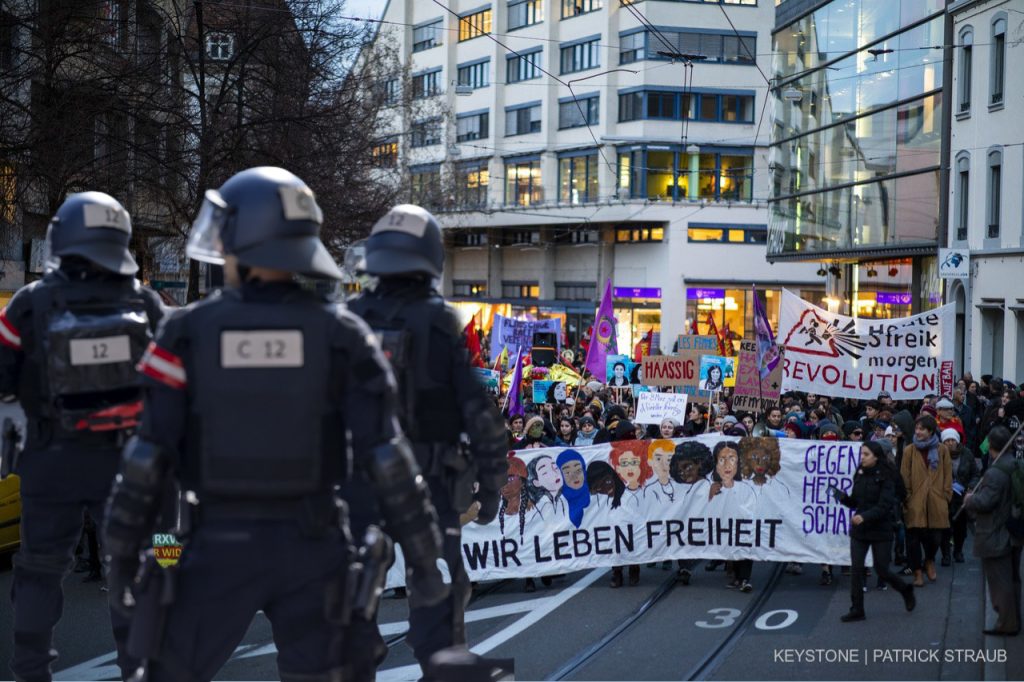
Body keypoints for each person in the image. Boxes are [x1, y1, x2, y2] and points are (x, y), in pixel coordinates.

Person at [100, 169, 451, 682]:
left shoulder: (186, 332)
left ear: (244, 237)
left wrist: (124, 550)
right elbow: (387, 458)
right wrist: (423, 561)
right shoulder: (343, 334)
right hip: (315, 547)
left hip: (214, 547)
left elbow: (150, 456)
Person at [0, 192, 165, 681]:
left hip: (50, 464)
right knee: (132, 568)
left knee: (39, 570)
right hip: (128, 464)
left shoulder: (31, 303)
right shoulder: (145, 302)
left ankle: (30, 671)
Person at [347, 203, 507, 677]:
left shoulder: (349, 317)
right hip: (429, 483)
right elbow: (479, 414)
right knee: (440, 590)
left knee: (355, 588)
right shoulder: (437, 321)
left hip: (360, 481)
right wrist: (493, 485)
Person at [833, 441, 916, 622]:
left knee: (882, 570)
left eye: (866, 454)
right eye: (861, 454)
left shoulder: (887, 475)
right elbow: (856, 502)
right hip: (860, 530)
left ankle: (905, 590)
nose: (862, 457)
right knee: (856, 569)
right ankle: (857, 609)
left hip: (881, 528)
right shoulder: (860, 473)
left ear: (876, 456)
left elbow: (885, 505)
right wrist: (842, 498)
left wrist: (864, 517)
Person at [964, 426, 1022, 636]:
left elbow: (986, 501)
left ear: (992, 445)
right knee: (1012, 579)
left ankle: (1006, 622)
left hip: (996, 532)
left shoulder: (996, 472)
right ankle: (1013, 619)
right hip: (1012, 531)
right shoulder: (1014, 464)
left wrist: (971, 500)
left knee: (1000, 581)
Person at [901, 415, 953, 587]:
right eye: (917, 429)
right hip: (915, 501)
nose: (918, 432)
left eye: (922, 429)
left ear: (930, 431)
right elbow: (904, 476)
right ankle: (917, 572)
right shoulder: (909, 450)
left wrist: (946, 495)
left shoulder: (942, 450)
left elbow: (947, 474)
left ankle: (929, 560)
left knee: (935, 538)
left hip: (937, 500)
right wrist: (907, 497)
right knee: (914, 540)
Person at [941, 429, 980, 565]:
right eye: (947, 440)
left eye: (952, 440)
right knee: (945, 528)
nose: (950, 443)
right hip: (944, 496)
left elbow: (975, 474)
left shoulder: (967, 454)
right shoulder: (939, 454)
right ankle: (945, 554)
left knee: (961, 528)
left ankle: (958, 551)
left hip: (962, 497)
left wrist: (971, 488)